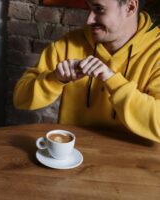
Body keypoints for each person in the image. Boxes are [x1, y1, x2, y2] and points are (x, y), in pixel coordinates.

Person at [14, 0, 160, 142]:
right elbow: (20, 99)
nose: (89, 20)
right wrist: (55, 79)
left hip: (136, 162)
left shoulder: (156, 52)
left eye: (98, 8)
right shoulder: (68, 44)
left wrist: (113, 81)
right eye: (89, 8)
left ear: (130, 7)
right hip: (75, 156)